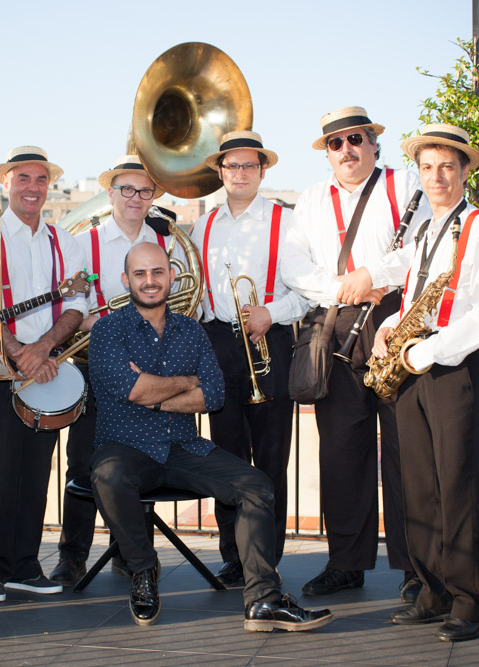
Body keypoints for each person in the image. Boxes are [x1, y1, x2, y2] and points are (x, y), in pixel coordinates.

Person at [88, 242, 333, 631]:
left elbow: (214, 395)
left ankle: (263, 601)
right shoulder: (107, 330)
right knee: (107, 476)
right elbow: (129, 389)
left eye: (157, 272)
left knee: (256, 485)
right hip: (126, 446)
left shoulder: (192, 330)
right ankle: (143, 569)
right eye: (140, 274)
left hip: (183, 447)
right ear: (126, 280)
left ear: (171, 276)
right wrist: (185, 383)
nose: (150, 281)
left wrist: (153, 396)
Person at [282, 106, 429, 601]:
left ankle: (417, 567)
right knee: (342, 452)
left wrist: (375, 275)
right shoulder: (309, 200)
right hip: (338, 320)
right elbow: (293, 267)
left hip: (395, 320)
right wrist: (343, 286)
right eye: (335, 143)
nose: (346, 149)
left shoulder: (405, 182)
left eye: (355, 139)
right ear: (327, 153)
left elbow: (424, 245)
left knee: (407, 450)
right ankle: (347, 563)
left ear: (373, 143)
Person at [371, 123, 479, 642]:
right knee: (419, 487)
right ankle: (433, 592)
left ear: (465, 170)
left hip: (452, 367)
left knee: (455, 486)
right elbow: (413, 299)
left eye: (447, 166)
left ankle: (473, 602)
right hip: (414, 364)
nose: (437, 177)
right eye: (427, 167)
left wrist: (428, 350)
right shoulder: (427, 230)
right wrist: (389, 328)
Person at [51, 155, 185, 587]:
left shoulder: (169, 243)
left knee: (141, 458)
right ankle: (72, 555)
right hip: (95, 365)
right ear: (110, 194)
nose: (135, 198)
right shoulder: (82, 243)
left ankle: (134, 555)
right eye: (126, 189)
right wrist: (115, 324)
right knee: (82, 461)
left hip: (150, 371)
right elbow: (71, 308)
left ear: (152, 197)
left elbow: (183, 302)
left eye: (144, 191)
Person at [189, 131, 307, 586]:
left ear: (263, 170)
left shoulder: (287, 221)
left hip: (270, 341)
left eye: (249, 166)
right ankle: (233, 555)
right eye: (232, 166)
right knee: (225, 454)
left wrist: (270, 312)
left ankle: (266, 558)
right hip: (218, 342)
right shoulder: (204, 225)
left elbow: (304, 295)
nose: (240, 174)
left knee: (271, 454)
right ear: (220, 172)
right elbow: (199, 296)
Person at [0, 146, 88, 602]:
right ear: (6, 183)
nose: (33, 188)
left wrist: (40, 350)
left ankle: (25, 565)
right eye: (23, 178)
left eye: (40, 180)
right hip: (2, 371)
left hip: (46, 368)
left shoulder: (66, 240)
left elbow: (78, 301)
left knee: (36, 472)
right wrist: (18, 351)